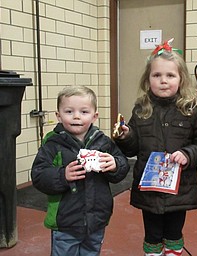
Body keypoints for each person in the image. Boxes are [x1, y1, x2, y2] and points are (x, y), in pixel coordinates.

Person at [114, 39, 197, 256]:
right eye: (156, 75)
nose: (163, 81)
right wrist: (126, 136)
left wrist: (188, 154)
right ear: (148, 79)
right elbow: (132, 149)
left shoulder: (192, 110)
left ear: (181, 79)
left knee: (173, 234)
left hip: (179, 190)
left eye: (170, 75)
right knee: (151, 235)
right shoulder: (141, 109)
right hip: (149, 189)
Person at [31, 86, 130, 256]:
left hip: (97, 219)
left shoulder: (103, 142)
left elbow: (122, 166)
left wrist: (115, 164)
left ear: (94, 116)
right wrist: (62, 176)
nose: (76, 116)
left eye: (84, 112)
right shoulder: (53, 144)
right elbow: (38, 174)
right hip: (65, 221)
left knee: (91, 252)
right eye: (69, 111)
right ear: (58, 115)